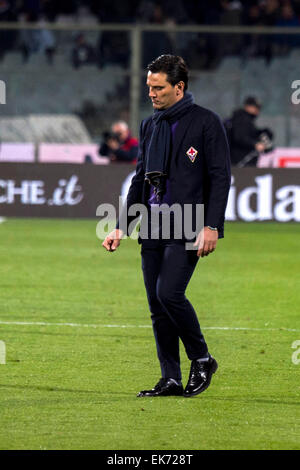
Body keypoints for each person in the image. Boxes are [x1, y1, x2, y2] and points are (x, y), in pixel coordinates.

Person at [102, 55, 231, 398]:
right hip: (155, 223)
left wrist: (212, 226)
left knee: (169, 293)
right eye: (149, 87)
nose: (152, 94)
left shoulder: (206, 122)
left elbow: (220, 178)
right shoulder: (150, 125)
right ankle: (170, 378)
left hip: (189, 221)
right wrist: (121, 226)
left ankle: (202, 358)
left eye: (158, 88)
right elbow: (140, 183)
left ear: (179, 87)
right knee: (157, 307)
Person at [226, 96, 272, 167]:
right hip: (238, 160)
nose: (257, 110)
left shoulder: (247, 119)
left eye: (258, 108)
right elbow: (239, 137)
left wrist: (262, 133)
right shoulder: (242, 119)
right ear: (247, 106)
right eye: (255, 107)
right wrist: (255, 144)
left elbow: (249, 134)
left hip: (242, 160)